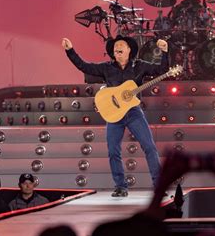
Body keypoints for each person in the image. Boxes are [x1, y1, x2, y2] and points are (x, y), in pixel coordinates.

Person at [62, 35, 168, 197]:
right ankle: (120, 186)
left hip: (133, 112)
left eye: (120, 45)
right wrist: (70, 51)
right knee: (113, 151)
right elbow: (84, 66)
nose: (116, 48)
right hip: (114, 114)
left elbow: (161, 70)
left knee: (149, 147)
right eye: (114, 47)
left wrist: (165, 52)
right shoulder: (107, 67)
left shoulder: (139, 66)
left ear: (129, 50)